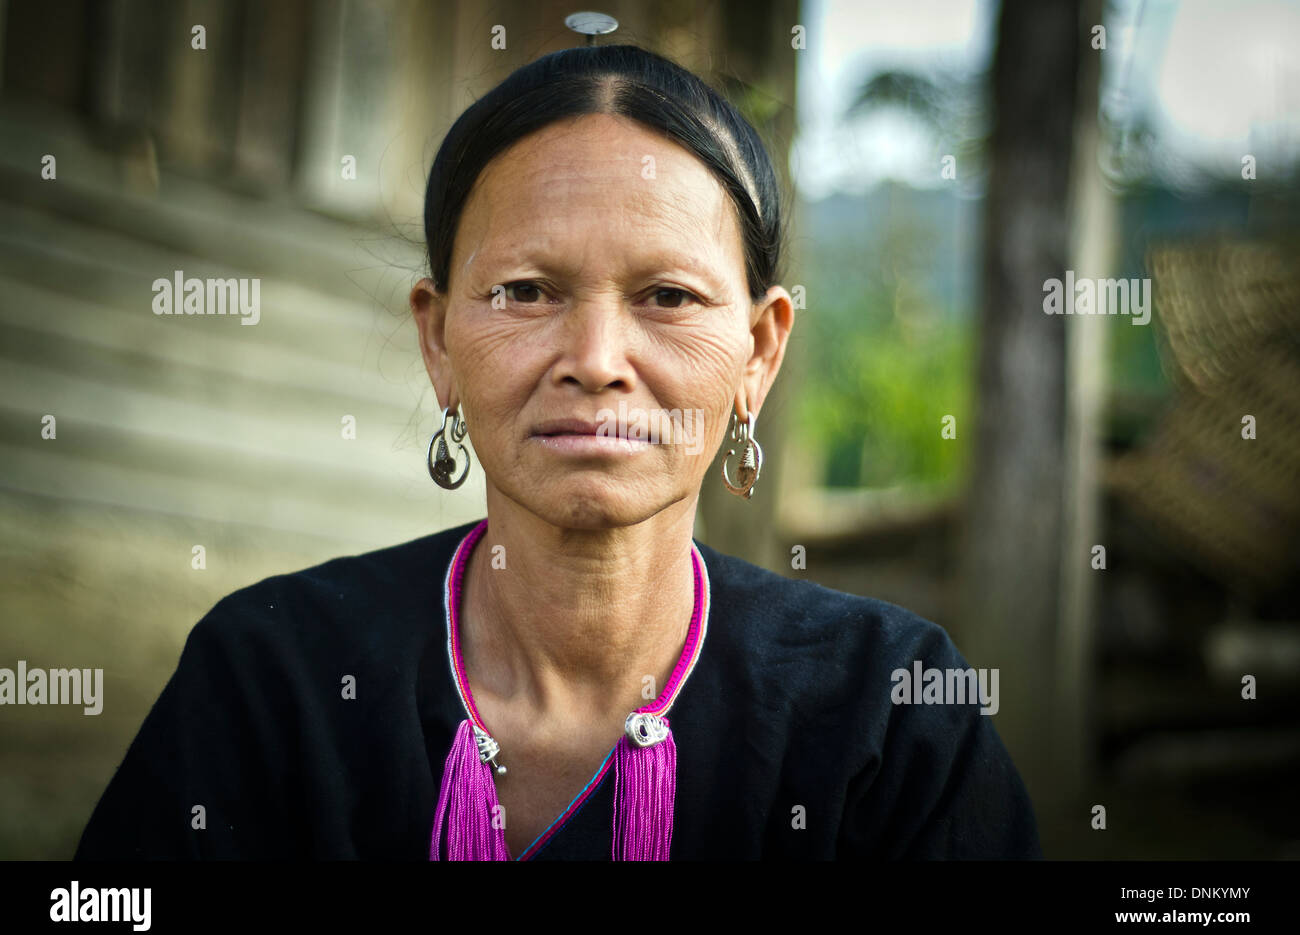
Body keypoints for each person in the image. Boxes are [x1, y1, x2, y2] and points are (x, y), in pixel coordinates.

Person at [75, 42, 1041, 861]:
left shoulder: (891, 713)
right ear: (438, 338)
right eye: (528, 291)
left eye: (667, 296)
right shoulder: (270, 679)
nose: (595, 361)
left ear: (759, 351)